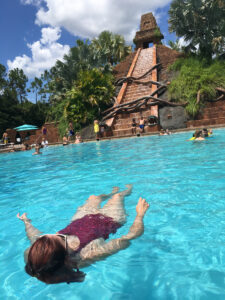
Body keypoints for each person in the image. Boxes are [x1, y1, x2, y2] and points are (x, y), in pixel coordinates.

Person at [17, 185, 149, 284]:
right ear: (65, 254)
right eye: (61, 237)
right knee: (118, 197)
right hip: (110, 220)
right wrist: (140, 215)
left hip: (80, 220)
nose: (58, 234)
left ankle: (110, 193)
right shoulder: (87, 255)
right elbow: (129, 237)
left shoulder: (38, 254)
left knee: (94, 197)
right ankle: (126, 191)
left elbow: (34, 236)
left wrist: (27, 223)